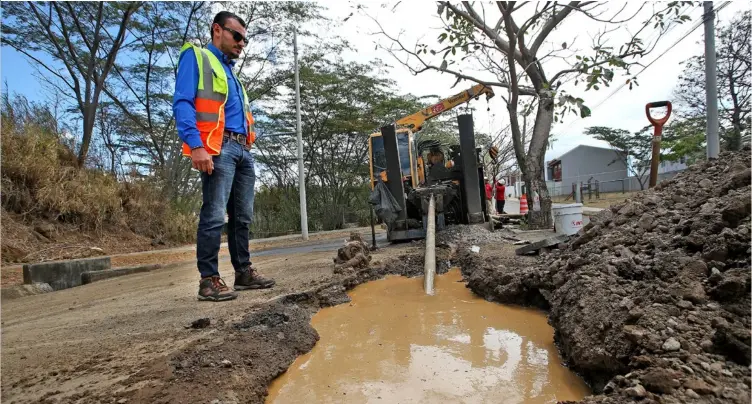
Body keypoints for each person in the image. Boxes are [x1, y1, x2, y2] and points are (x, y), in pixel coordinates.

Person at [173, 11, 275, 302]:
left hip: (243, 150)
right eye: (237, 36)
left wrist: (247, 146)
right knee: (215, 215)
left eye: (245, 38)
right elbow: (182, 103)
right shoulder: (198, 58)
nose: (242, 43)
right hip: (218, 149)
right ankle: (208, 280)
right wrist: (196, 145)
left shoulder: (232, 74)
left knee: (242, 217)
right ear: (217, 30)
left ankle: (243, 272)